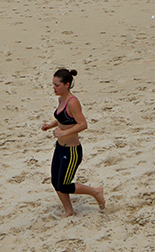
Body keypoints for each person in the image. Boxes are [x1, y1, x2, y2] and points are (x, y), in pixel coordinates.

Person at [40, 68, 105, 217]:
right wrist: (51, 125)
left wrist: (63, 133)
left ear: (67, 84)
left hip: (72, 151)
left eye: (57, 85)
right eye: (53, 85)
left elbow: (83, 124)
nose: (54, 88)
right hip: (60, 148)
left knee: (64, 184)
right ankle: (69, 211)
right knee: (55, 182)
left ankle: (96, 192)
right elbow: (63, 118)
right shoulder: (61, 99)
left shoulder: (73, 102)